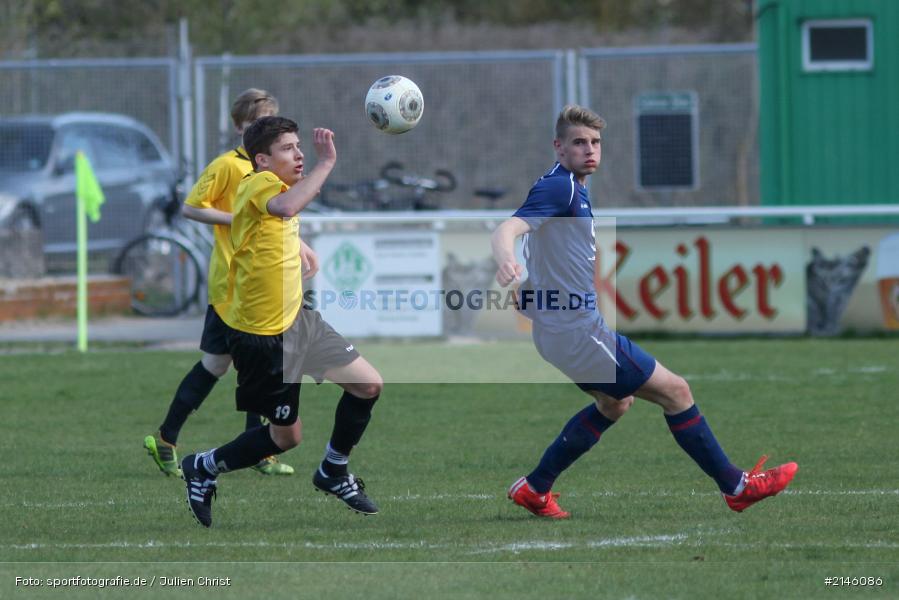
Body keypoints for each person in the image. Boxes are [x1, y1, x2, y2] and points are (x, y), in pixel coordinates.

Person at [491, 105, 798, 519]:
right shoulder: (559, 187)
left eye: (595, 142)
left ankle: (535, 487)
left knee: (615, 404)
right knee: (677, 391)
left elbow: (547, 254)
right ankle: (736, 486)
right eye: (579, 142)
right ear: (558, 147)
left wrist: (530, 291)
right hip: (578, 331)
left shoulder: (568, 186)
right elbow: (507, 229)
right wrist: (506, 259)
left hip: (559, 331)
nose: (590, 150)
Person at [181, 116, 384, 527]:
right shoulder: (257, 183)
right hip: (263, 338)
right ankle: (203, 466)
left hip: (297, 321)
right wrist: (327, 163)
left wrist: (299, 246)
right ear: (262, 159)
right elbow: (286, 206)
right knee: (285, 438)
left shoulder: (275, 188)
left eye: (299, 146)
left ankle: (333, 470)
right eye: (288, 148)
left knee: (368, 385)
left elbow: (278, 221)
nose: (299, 153)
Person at [143, 89, 297, 477]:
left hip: (256, 284)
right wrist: (237, 219)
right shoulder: (229, 166)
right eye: (253, 126)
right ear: (238, 128)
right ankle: (173, 437)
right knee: (233, 363)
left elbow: (278, 218)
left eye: (266, 125)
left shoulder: (270, 172)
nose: (258, 131)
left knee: (233, 363)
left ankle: (177, 438)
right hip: (232, 282)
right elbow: (192, 207)